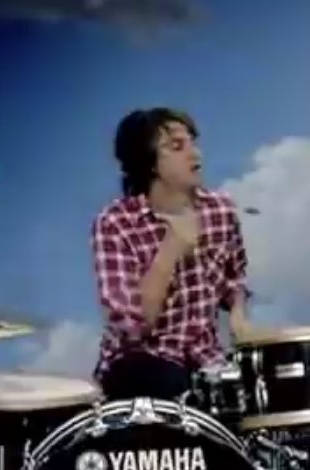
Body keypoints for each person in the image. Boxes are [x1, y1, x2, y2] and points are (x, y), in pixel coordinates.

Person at [91, 107, 251, 400]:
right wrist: (170, 249)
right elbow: (134, 327)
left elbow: (234, 276)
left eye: (192, 143)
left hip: (205, 362)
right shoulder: (116, 222)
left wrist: (238, 313)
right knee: (157, 376)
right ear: (149, 162)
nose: (195, 154)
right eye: (177, 147)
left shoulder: (220, 210)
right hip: (142, 364)